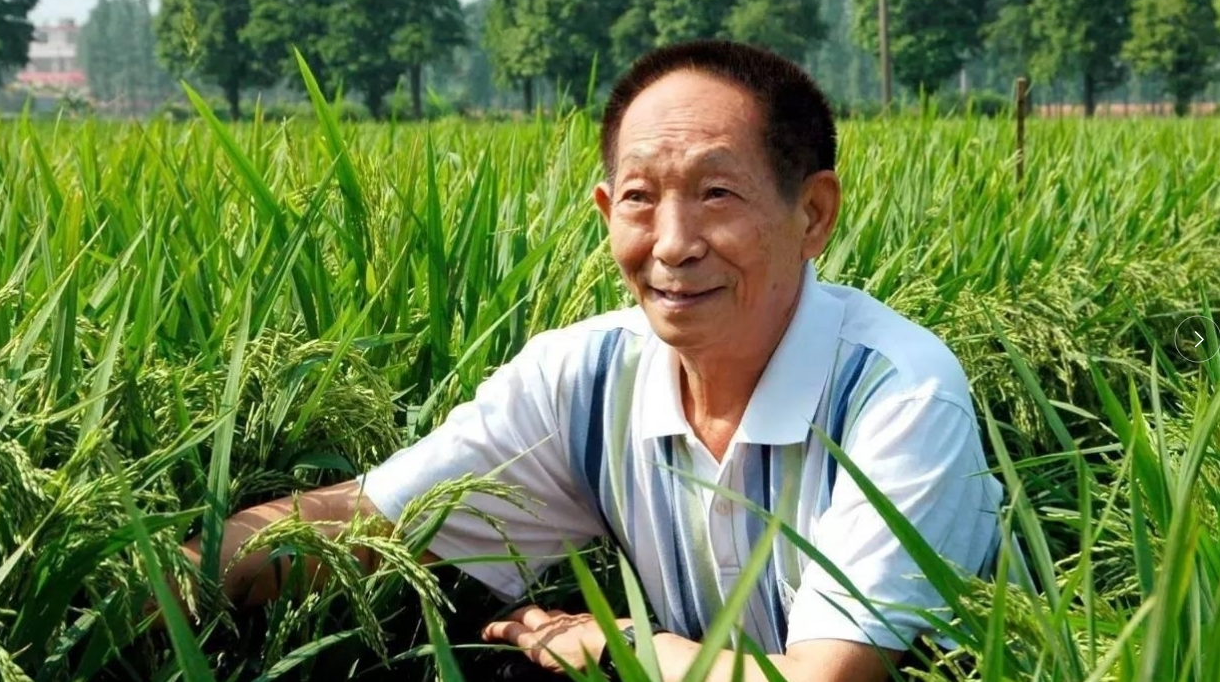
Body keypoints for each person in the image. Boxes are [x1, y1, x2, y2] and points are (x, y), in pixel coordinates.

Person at [180, 40, 1004, 682]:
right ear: (607, 210)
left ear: (813, 214)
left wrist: (618, 645)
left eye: (716, 194)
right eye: (640, 198)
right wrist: (157, 579)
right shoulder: (585, 379)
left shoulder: (894, 395)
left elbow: (829, 679)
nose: (672, 245)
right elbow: (369, 523)